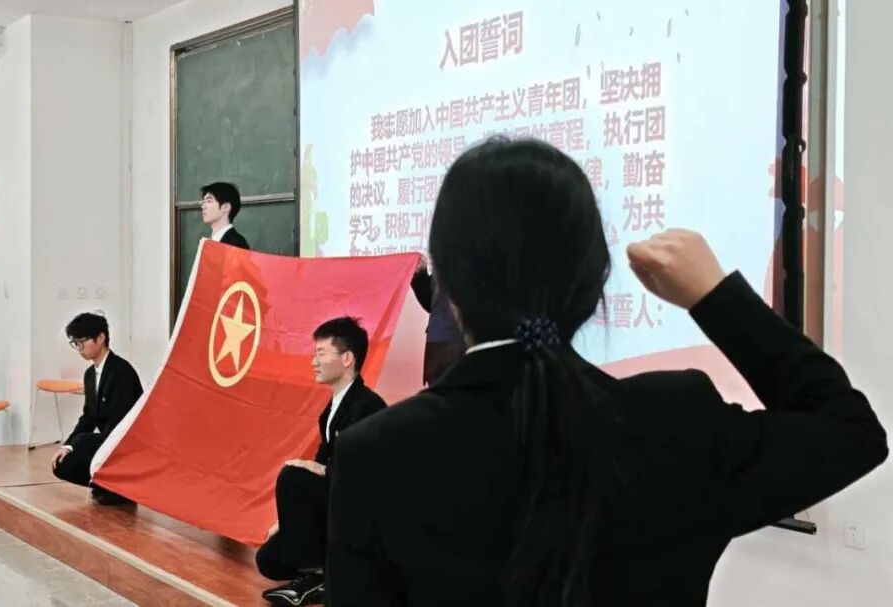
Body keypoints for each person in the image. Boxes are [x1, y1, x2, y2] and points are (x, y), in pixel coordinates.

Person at [326, 138, 888, 606]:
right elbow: (851, 430)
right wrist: (715, 296)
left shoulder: (374, 454)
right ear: (596, 279)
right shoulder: (677, 419)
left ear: (446, 286)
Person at [256, 317, 387, 606]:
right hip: (333, 506)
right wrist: (288, 520)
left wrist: (324, 470)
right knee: (268, 559)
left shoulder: (369, 406)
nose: (313, 362)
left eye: (321, 354)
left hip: (357, 514)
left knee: (292, 476)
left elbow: (371, 476)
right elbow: (319, 468)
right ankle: (329, 572)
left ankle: (317, 576)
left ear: (347, 359)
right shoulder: (330, 409)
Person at [51, 313, 144, 506]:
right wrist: (67, 446)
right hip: (107, 440)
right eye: (75, 343)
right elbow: (88, 417)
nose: (79, 349)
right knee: (62, 463)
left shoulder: (122, 372)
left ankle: (118, 486)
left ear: (100, 338)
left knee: (83, 442)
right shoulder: (90, 374)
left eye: (82, 342)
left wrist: (81, 443)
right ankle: (106, 486)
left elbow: (120, 424)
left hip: (126, 442)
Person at [410, 257, 464, 385]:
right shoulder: (444, 254)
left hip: (471, 342)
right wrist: (420, 273)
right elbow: (432, 301)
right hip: (440, 344)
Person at [201, 182, 250, 249]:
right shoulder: (209, 243)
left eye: (209, 201)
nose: (203, 206)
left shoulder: (236, 245)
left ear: (226, 207)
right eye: (204, 202)